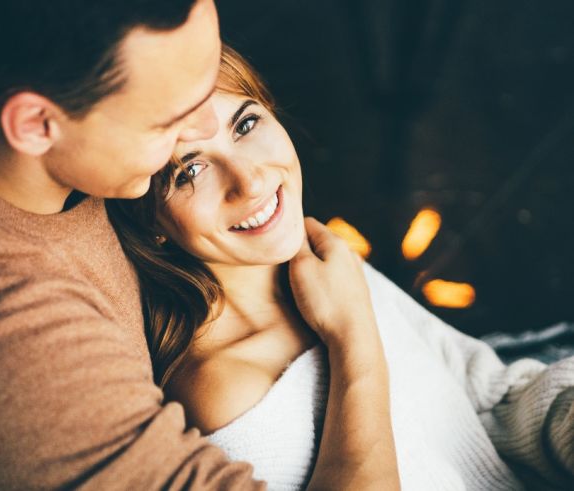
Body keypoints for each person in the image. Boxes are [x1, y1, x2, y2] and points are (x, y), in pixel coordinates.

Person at [0, 1, 396, 489]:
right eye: (169, 118)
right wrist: (356, 338)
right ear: (36, 125)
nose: (202, 123)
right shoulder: (18, 369)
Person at [107, 45, 574, 490]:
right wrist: (353, 333)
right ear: (152, 222)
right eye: (190, 170)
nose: (249, 181)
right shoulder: (226, 391)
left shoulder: (320, 262)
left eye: (245, 124)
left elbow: (484, 390)